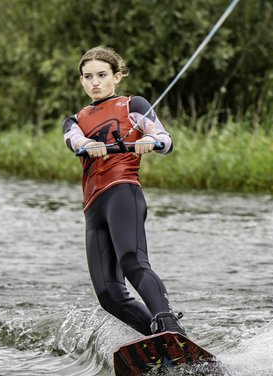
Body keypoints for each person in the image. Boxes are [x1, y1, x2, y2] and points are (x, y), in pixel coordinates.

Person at [62, 46, 186, 337]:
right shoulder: (75, 120)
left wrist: (150, 140)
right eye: (88, 76)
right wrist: (88, 145)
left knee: (132, 261)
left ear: (116, 77)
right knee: (108, 294)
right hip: (93, 208)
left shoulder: (133, 105)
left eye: (102, 75)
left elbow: (164, 140)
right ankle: (157, 340)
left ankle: (168, 324)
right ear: (81, 81)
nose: (95, 82)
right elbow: (74, 140)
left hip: (122, 192)